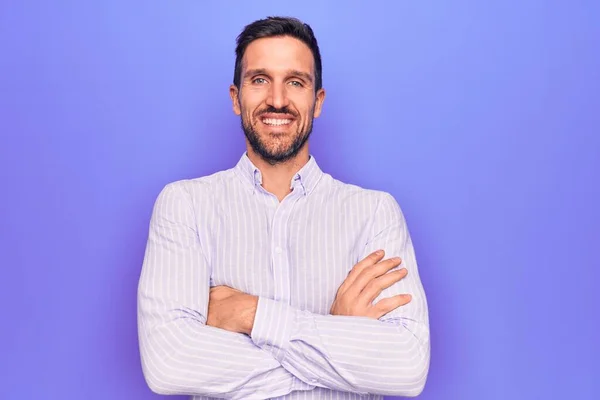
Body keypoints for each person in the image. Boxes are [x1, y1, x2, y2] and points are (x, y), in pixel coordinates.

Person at [137, 16, 430, 400]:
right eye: (259, 80)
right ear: (235, 97)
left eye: (295, 82)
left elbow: (406, 367)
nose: (277, 99)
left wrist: (250, 314)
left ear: (318, 101)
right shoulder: (185, 206)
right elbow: (168, 363)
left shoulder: (374, 214)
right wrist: (338, 338)